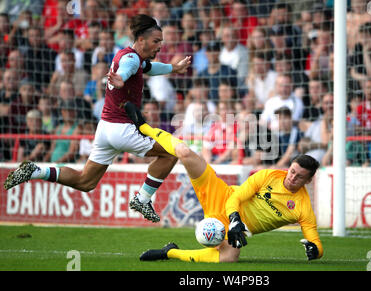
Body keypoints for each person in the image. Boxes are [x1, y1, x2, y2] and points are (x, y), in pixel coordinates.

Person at [4, 14, 192, 223]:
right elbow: (126, 70)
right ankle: (143, 198)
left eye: (161, 42)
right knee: (171, 152)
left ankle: (36, 170)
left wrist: (174, 68)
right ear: (141, 40)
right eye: (156, 41)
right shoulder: (130, 60)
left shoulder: (132, 56)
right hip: (122, 129)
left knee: (85, 181)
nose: (159, 46)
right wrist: (121, 79)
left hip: (105, 129)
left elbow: (150, 68)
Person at [123, 102, 323, 263]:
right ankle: (145, 127)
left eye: (299, 176)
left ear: (309, 180)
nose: (292, 177)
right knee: (184, 152)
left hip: (228, 225)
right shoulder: (270, 176)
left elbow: (314, 238)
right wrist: (236, 218)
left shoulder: (303, 207)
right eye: (292, 171)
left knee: (228, 258)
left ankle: (170, 253)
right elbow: (236, 196)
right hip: (220, 195)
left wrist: (316, 250)